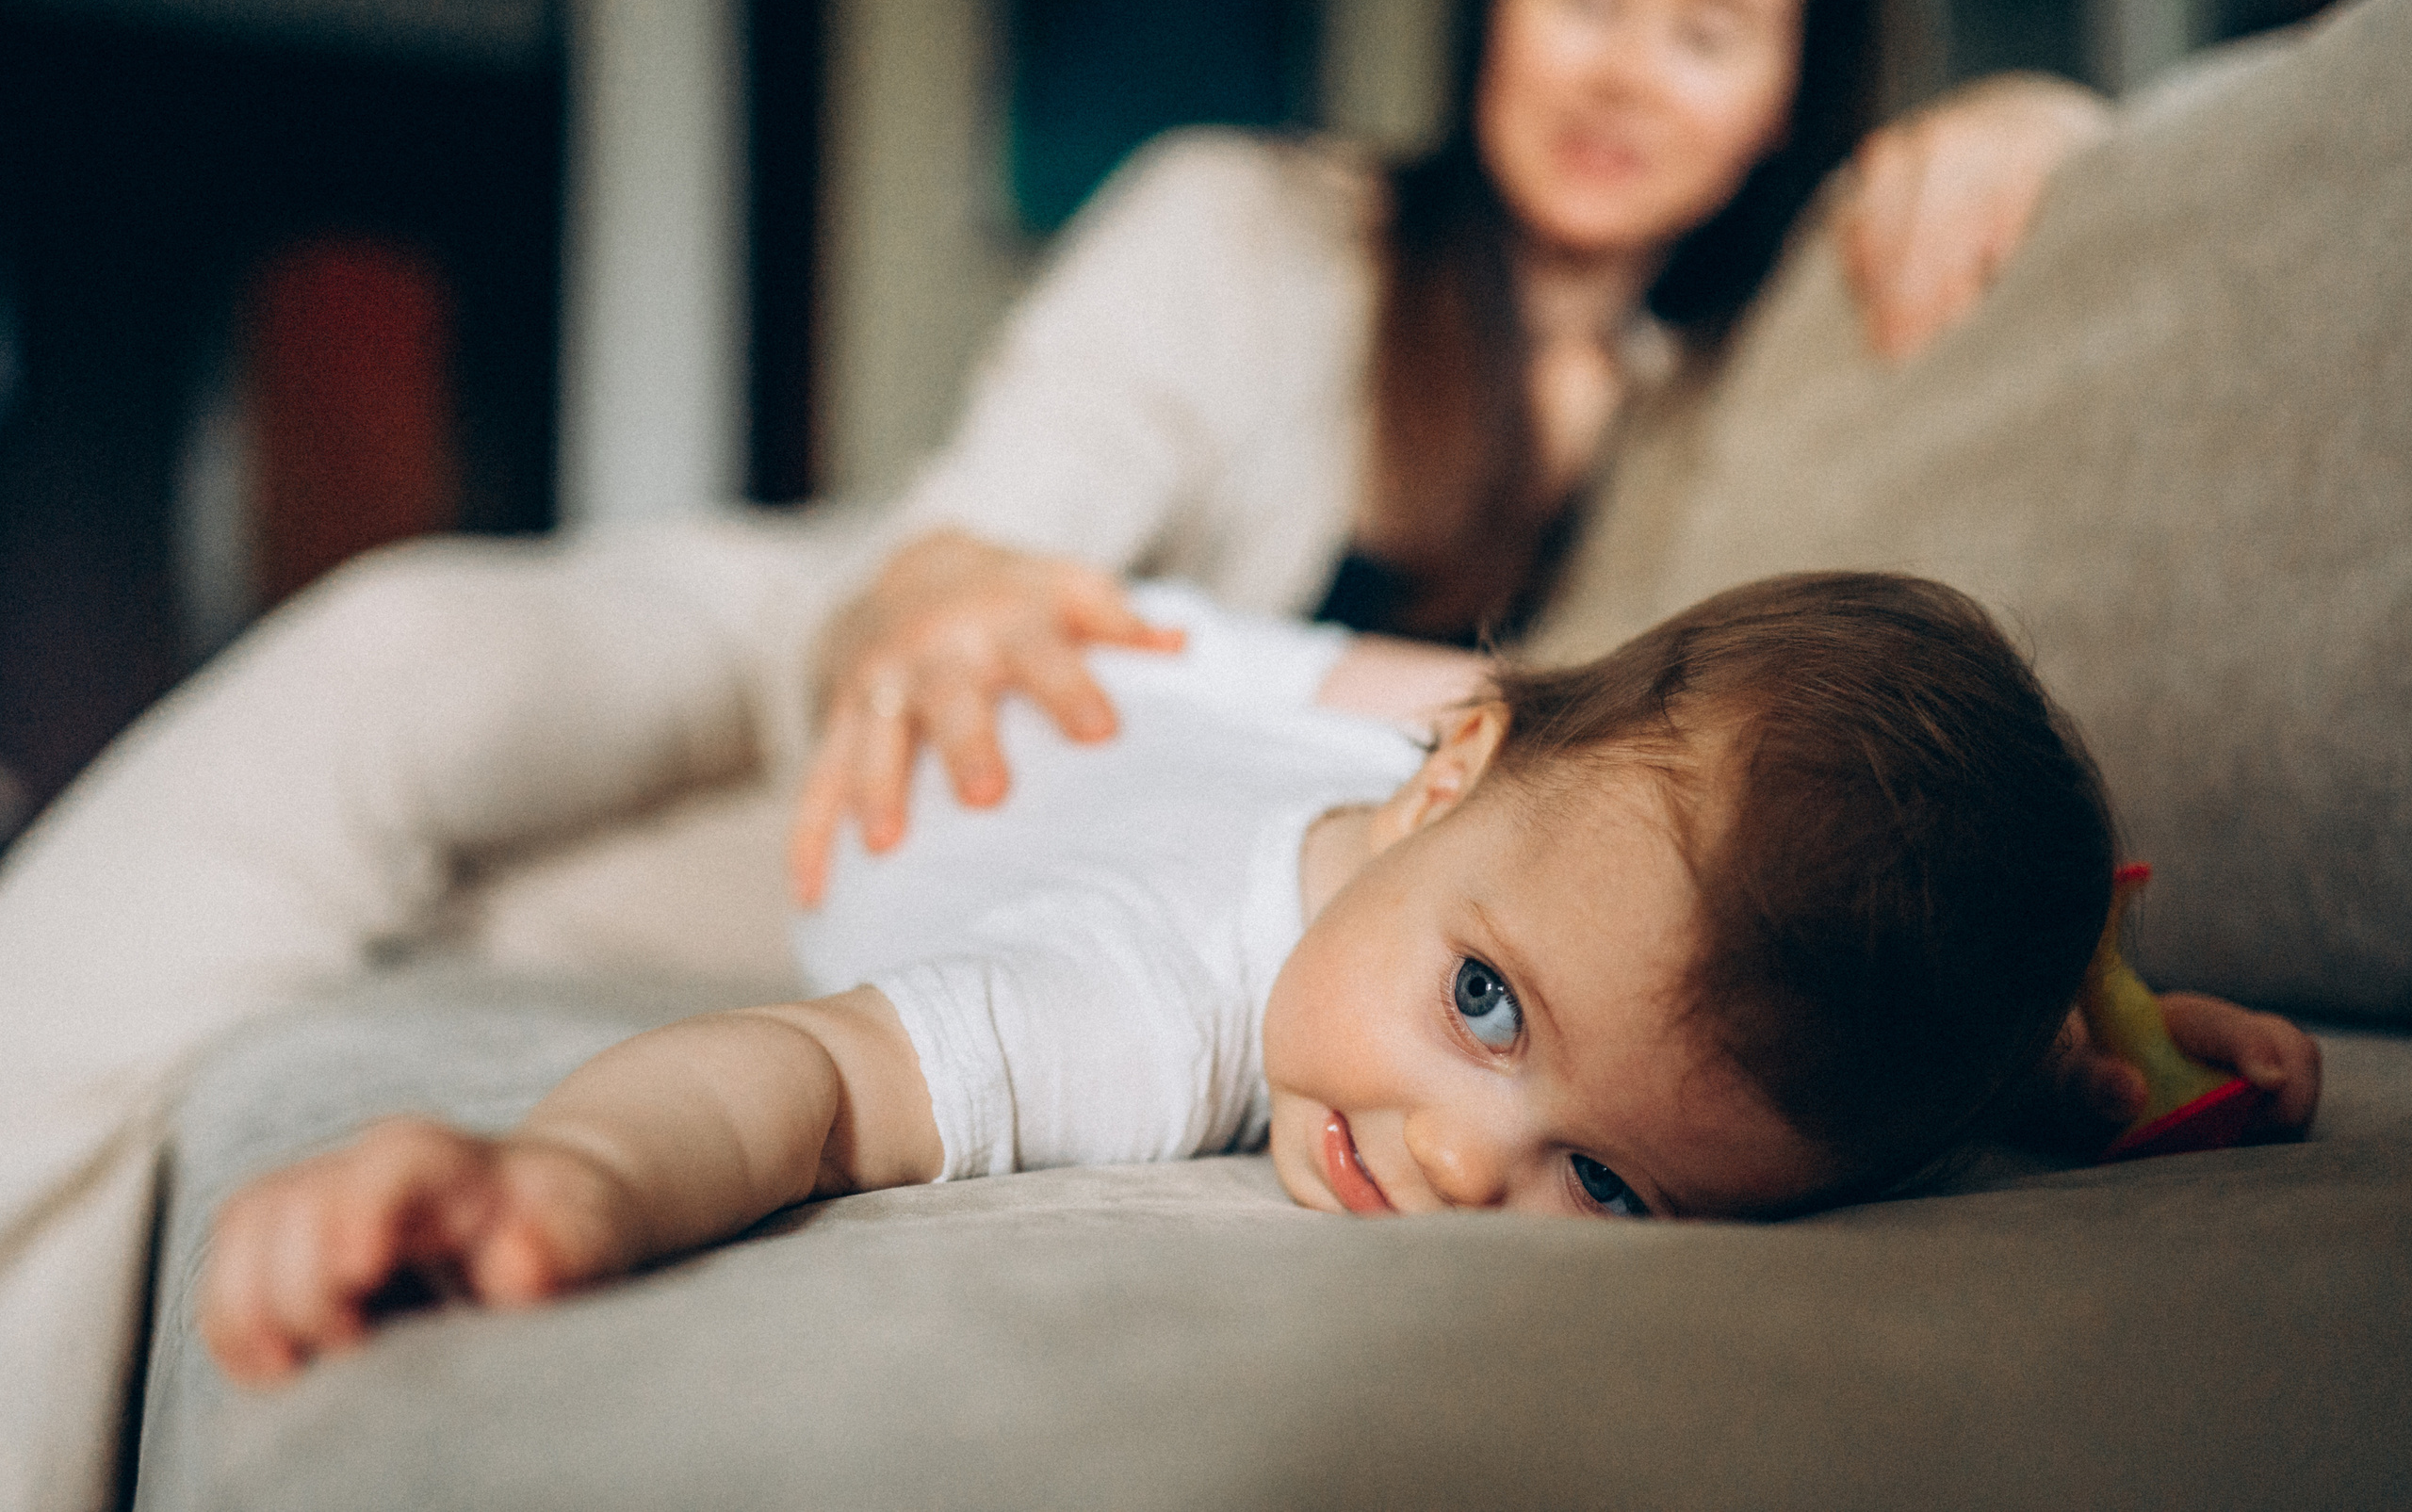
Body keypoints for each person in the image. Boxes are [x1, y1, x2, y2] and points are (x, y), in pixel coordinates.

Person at [197, 574, 2321, 1387]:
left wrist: (2076, 1043)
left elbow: (1789, 1011)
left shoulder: (1519, 841)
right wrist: (561, 1171)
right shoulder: (1153, 987)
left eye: (1608, 1190)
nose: (1453, 1153)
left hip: (1251, 698)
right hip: (964, 694)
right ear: (1444, 783)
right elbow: (807, 1077)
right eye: (1482, 1007)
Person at [788, 0, 2113, 903]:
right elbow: (995, 518)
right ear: (1498, 9)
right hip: (821, 624)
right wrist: (941, 582)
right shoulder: (1239, 223)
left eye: (1707, 32)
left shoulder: (1750, 368)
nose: (1626, 73)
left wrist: (2035, 122)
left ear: (1786, 101)